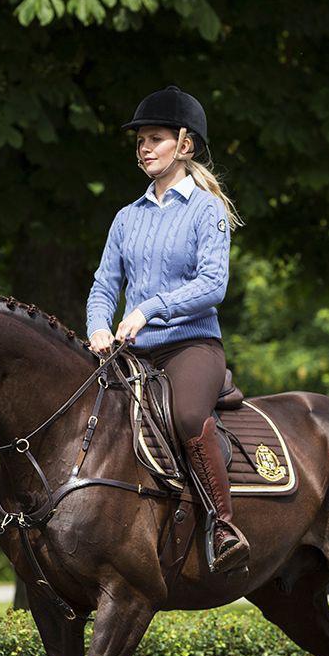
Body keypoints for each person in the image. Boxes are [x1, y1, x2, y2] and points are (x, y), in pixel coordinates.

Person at [85, 84, 249, 573]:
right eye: (139, 141)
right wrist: (97, 328)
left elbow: (213, 284)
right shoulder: (125, 217)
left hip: (192, 346)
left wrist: (150, 308)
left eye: (154, 138)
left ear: (185, 144)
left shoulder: (206, 210)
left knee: (184, 416)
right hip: (131, 353)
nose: (144, 148)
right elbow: (103, 286)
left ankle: (223, 526)